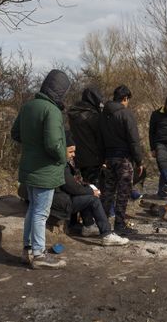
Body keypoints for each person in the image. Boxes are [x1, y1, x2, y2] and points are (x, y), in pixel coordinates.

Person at [11, 69, 70, 269]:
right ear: (59, 91)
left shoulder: (28, 106)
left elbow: (16, 133)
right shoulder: (51, 110)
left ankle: (27, 250)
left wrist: (32, 146)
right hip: (45, 170)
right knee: (41, 213)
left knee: (32, 209)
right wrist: (64, 157)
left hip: (29, 167)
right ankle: (39, 254)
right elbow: (54, 144)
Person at [50, 133, 129, 246]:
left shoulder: (60, 163)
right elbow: (71, 187)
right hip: (60, 203)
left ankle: (88, 225)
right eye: (71, 151)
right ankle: (106, 234)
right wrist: (91, 191)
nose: (73, 154)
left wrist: (87, 189)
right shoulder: (61, 165)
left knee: (86, 193)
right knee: (93, 199)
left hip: (60, 199)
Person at [98, 85, 144, 235]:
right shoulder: (125, 114)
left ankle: (103, 224)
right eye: (127, 100)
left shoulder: (103, 115)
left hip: (108, 158)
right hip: (123, 159)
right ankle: (119, 224)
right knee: (123, 192)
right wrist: (139, 160)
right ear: (125, 98)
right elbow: (133, 139)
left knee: (108, 191)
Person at [67, 87, 104, 185]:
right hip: (93, 159)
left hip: (79, 158)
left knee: (86, 186)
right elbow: (100, 136)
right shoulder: (92, 115)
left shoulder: (74, 113)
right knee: (95, 188)